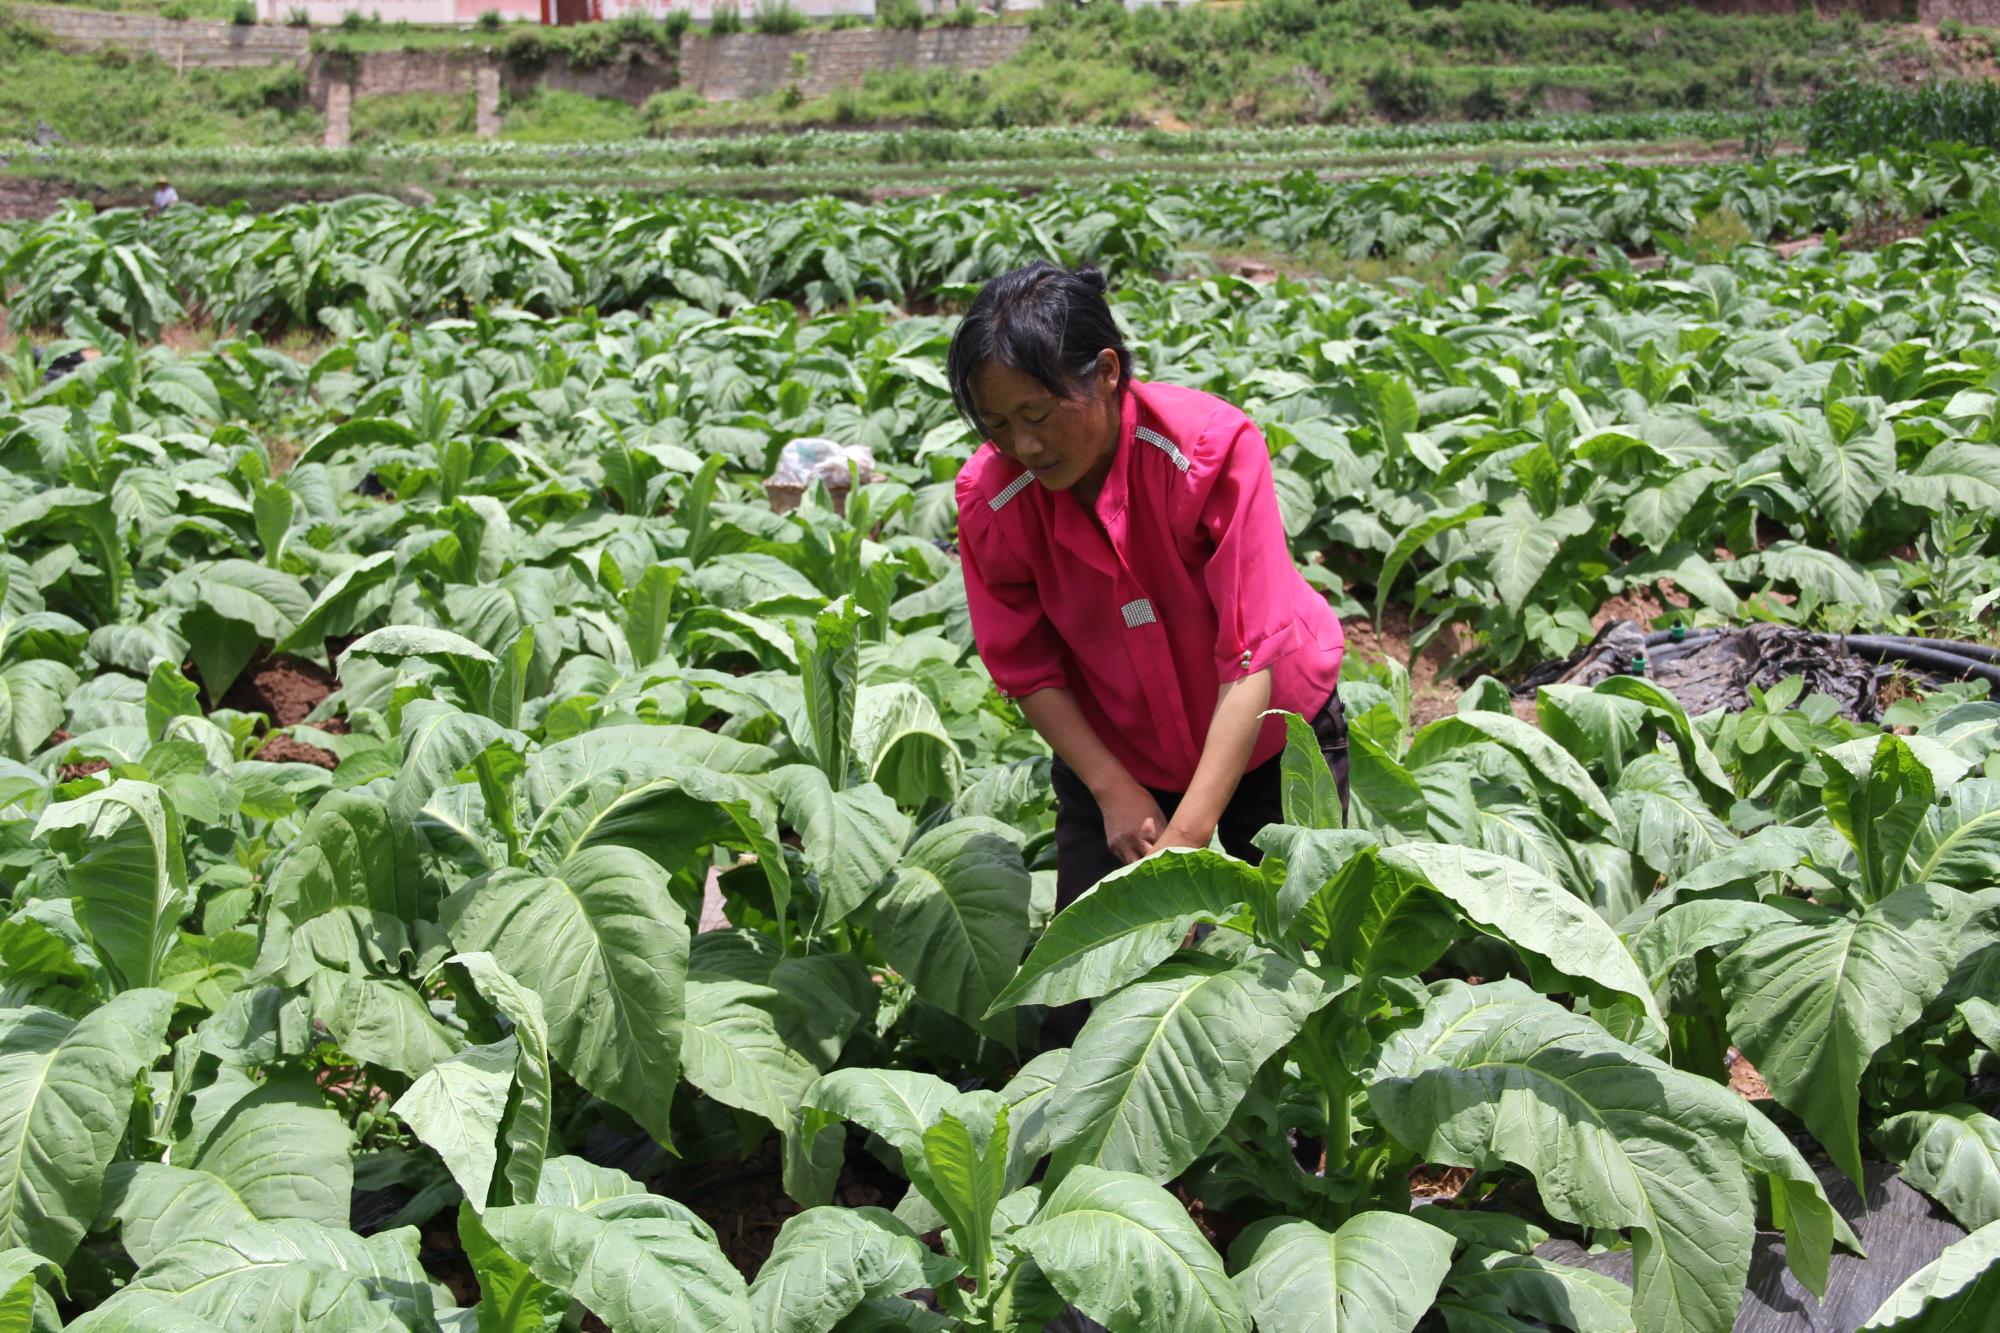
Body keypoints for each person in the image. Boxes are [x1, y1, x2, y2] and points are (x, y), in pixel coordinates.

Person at [950, 261, 1348, 916]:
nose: (1025, 445)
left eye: (1037, 414)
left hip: (1269, 742)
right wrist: (1111, 789)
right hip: (1116, 757)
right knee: (1094, 969)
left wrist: (1186, 840)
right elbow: (1026, 668)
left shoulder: (1208, 450)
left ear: (1107, 372)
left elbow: (1250, 656)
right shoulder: (994, 497)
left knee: (1295, 946)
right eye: (997, 424)